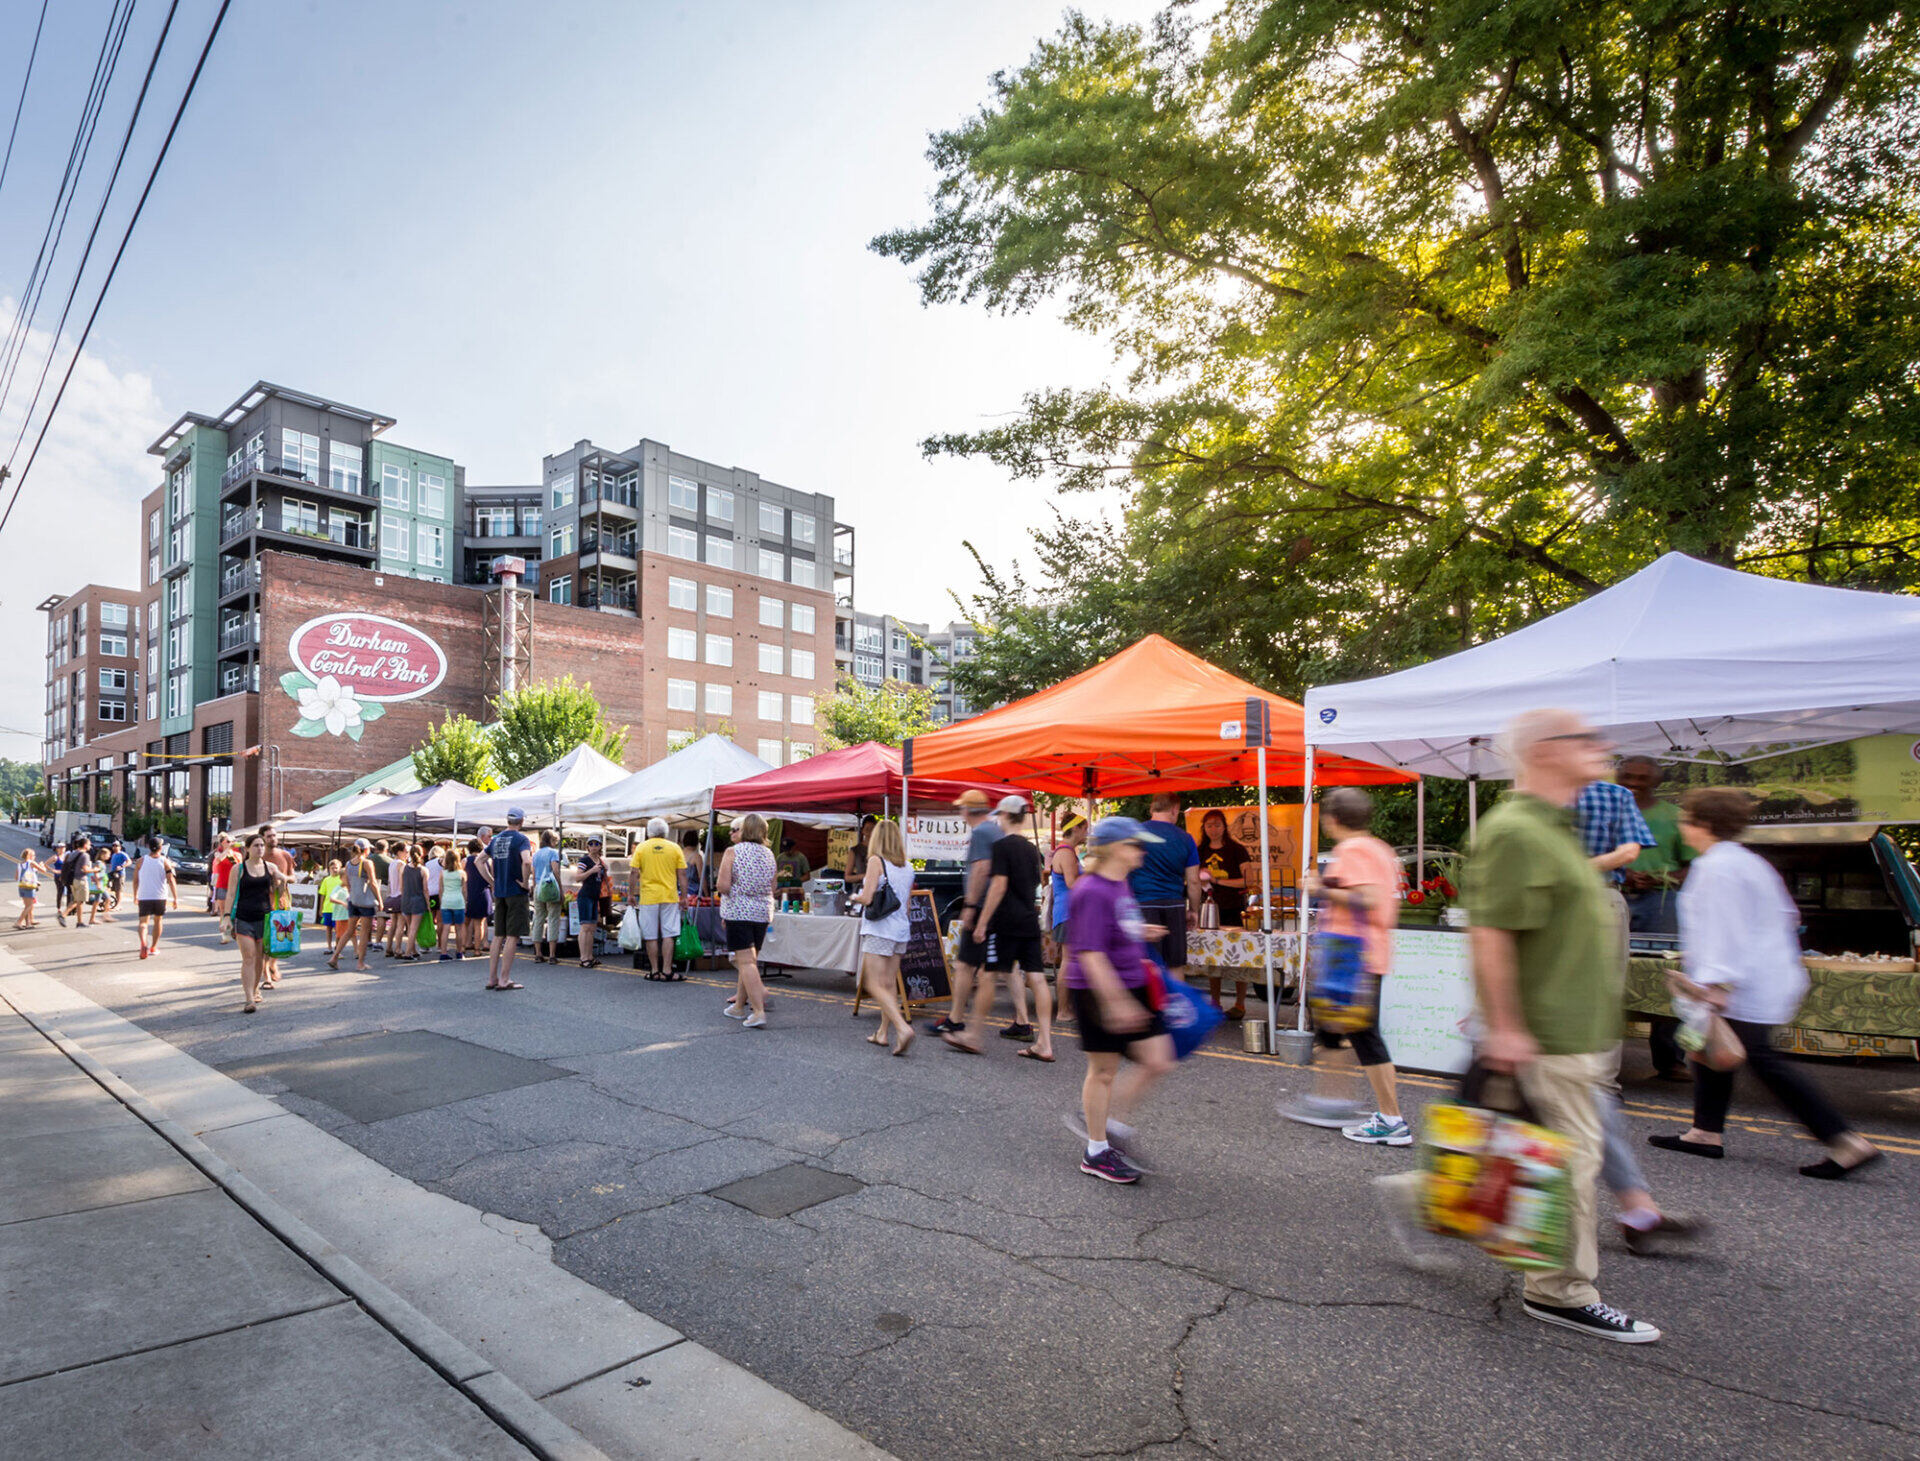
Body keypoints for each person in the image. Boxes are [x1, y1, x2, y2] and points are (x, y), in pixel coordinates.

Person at [1379, 708, 1660, 1343]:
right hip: (1545, 1036)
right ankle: (1560, 1291)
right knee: (1570, 1165)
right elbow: (1492, 934)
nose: (1602, 746)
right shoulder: (1515, 830)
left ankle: (1434, 1194)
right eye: (1585, 739)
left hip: (1570, 1036)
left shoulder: (1555, 828)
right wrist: (1504, 1025)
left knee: (1534, 1155)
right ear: (1545, 751)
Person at [1650, 787, 1884, 1181]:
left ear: (1702, 824)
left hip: (1743, 981)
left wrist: (1716, 983)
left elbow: (1726, 928)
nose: (1682, 826)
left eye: (1686, 819)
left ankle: (1844, 1141)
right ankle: (1705, 1131)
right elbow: (1786, 915)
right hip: (1765, 973)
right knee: (1709, 1047)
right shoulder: (1749, 862)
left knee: (1755, 1057)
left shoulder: (1716, 868)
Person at [1576, 763, 1698, 1252]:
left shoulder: (1540, 806)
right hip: (1576, 917)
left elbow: (1630, 850)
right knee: (1574, 1086)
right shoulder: (1525, 811)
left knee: (1582, 1087)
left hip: (1585, 911)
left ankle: (1636, 1208)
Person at [1280, 788, 1410, 1144]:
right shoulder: (1378, 849)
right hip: (1355, 952)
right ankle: (1332, 1100)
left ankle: (1391, 1118)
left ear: (1332, 820)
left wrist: (1321, 887)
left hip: (1353, 954)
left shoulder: (1355, 850)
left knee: (1364, 1035)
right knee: (1336, 1028)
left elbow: (1369, 898)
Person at [1064, 817, 1177, 1184]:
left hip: (1133, 984)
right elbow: (1091, 955)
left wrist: (1140, 930)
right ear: (1115, 848)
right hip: (1100, 991)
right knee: (1104, 1071)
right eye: (1135, 844)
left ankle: (1109, 1127)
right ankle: (1096, 1150)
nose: (1141, 850)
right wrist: (1116, 1003)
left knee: (1159, 1059)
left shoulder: (1119, 883)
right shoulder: (1091, 890)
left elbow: (1113, 927)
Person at [946, 796, 1052, 1060]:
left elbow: (998, 886)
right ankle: (1045, 1043)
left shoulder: (1002, 846)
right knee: (1037, 979)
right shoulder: (1030, 849)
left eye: (1000, 815)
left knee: (989, 977)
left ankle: (973, 1035)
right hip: (1029, 921)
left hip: (1005, 923)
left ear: (1005, 815)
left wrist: (982, 922)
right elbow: (1035, 882)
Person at [1616, 755, 1694, 1080]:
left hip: (1661, 903)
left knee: (1667, 976)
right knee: (1607, 973)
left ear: (1656, 782)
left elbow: (1693, 867)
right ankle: (1606, 1057)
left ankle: (1670, 1059)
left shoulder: (1675, 817)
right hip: (1612, 897)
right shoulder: (1607, 813)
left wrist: (1661, 878)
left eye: (1641, 778)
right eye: (1627, 777)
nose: (1633, 783)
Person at [932, 790, 1009, 1035]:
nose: (960, 813)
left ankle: (958, 1021)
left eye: (961, 808)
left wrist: (970, 906)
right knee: (982, 968)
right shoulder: (996, 830)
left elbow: (981, 869)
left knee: (966, 964)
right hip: (995, 907)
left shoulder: (980, 832)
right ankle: (960, 1020)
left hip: (983, 908)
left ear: (967, 811)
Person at [851, 818, 916, 1052]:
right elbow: (907, 906)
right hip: (900, 929)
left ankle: (901, 1027)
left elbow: (867, 898)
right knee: (889, 984)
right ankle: (882, 1032)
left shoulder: (875, 861)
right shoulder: (907, 867)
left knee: (873, 983)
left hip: (880, 928)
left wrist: (853, 898)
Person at [1128, 793, 1201, 991]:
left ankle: (1150, 1012)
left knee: (1145, 963)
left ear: (1152, 809)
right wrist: (1193, 910)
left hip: (1143, 904)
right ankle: (1177, 1013)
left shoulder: (1136, 834)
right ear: (1174, 810)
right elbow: (1194, 881)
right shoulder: (1185, 838)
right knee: (1175, 964)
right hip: (1174, 905)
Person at [719, 814, 777, 1028]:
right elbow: (773, 887)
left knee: (746, 962)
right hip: (762, 912)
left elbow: (723, 886)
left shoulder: (733, 852)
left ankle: (759, 1011)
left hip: (738, 910)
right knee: (750, 962)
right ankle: (738, 1006)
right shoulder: (769, 854)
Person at [1196, 809, 1252, 1018]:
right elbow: (1191, 877)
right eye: (1209, 825)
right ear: (1204, 828)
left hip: (1235, 908)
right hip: (1208, 909)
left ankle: (1240, 1004)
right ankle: (1215, 1002)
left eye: (1217, 825)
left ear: (1224, 827)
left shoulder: (1237, 850)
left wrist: (1217, 881)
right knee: (1213, 958)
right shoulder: (1199, 850)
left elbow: (1248, 880)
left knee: (1240, 956)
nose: (1213, 829)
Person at [226, 835, 287, 1014]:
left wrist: (281, 881)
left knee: (260, 959)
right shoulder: (238, 869)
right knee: (249, 958)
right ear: (247, 849)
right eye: (256, 845)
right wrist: (227, 916)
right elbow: (230, 894)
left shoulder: (271, 867)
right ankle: (249, 999)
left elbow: (278, 891)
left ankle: (255, 989)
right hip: (244, 918)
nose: (260, 848)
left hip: (265, 918)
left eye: (262, 845)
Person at [630, 817, 687, 980]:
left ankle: (654, 970)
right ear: (666, 832)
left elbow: (634, 872)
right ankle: (667, 970)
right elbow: (682, 874)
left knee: (651, 935)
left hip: (648, 897)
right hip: (669, 896)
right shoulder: (675, 848)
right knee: (669, 933)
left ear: (649, 832)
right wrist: (684, 896)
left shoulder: (641, 848)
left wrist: (631, 894)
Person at [485, 809, 535, 991]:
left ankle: (492, 978)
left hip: (500, 892)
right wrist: (525, 882)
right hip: (515, 891)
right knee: (512, 936)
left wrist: (492, 881)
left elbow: (479, 861)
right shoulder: (521, 839)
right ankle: (504, 979)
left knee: (498, 935)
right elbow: (527, 861)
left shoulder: (496, 839)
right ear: (521, 821)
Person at [1044, 814, 1087, 970]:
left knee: (1070, 960)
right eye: (1084, 829)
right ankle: (1063, 996)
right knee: (1069, 961)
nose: (1086, 833)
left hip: (1068, 912)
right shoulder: (1066, 853)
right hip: (1068, 913)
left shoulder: (1067, 852)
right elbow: (1072, 883)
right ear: (1075, 828)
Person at [333, 839, 381, 972]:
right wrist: (380, 901)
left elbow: (348, 883)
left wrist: (352, 894)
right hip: (366, 901)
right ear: (366, 850)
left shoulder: (348, 864)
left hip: (353, 900)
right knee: (364, 933)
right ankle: (360, 963)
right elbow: (373, 883)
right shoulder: (367, 863)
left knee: (349, 930)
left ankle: (334, 957)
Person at [132, 834, 179, 960]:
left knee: (143, 922)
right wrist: (175, 898)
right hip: (160, 896)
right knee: (158, 921)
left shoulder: (140, 861)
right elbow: (171, 880)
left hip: (144, 895)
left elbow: (135, 880)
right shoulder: (165, 861)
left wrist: (135, 895)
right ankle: (153, 947)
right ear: (160, 848)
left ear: (149, 847)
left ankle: (143, 942)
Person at [529, 830, 566, 963]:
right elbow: (555, 870)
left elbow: (533, 873)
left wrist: (533, 888)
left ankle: (538, 953)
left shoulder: (536, 854)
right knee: (553, 919)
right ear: (552, 841)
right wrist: (561, 890)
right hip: (550, 887)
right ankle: (552, 954)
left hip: (539, 886)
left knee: (538, 918)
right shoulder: (553, 853)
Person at [575, 837, 608, 968]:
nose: (594, 846)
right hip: (585, 895)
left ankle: (590, 956)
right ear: (587, 847)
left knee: (592, 927)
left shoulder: (600, 861)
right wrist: (591, 871)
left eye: (596, 844)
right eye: (591, 844)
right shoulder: (585, 860)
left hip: (595, 896)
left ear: (600, 846)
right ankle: (583, 958)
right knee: (585, 927)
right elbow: (577, 877)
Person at [395, 844, 429, 959]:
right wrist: (428, 904)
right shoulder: (423, 870)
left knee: (410, 927)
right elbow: (425, 889)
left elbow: (401, 887)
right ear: (421, 854)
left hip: (405, 900)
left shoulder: (403, 868)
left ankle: (413, 950)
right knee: (414, 928)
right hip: (418, 901)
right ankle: (408, 953)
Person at [462, 837, 491, 958]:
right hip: (483, 893)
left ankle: (462, 947)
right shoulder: (485, 861)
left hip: (469, 893)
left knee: (465, 922)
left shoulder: (465, 861)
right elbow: (490, 876)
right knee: (480, 923)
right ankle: (477, 950)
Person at [437, 847, 467, 960]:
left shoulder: (442, 873)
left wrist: (441, 901)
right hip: (458, 901)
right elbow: (464, 890)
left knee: (446, 928)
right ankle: (459, 952)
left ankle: (443, 953)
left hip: (446, 901)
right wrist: (466, 902)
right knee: (459, 928)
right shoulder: (462, 873)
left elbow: (440, 889)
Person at [317, 859, 346, 956]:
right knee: (328, 928)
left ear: (340, 868)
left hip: (338, 909)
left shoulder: (341, 880)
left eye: (336, 868)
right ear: (329, 869)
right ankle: (329, 947)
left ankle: (338, 948)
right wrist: (321, 908)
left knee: (338, 930)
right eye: (332, 868)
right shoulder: (326, 880)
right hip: (327, 908)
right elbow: (322, 895)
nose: (334, 870)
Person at [210, 833, 239, 920]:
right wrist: (228, 849)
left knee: (234, 910)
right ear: (222, 843)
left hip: (235, 885)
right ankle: (225, 931)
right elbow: (219, 859)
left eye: (232, 841)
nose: (231, 843)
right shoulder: (218, 853)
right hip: (222, 885)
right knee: (223, 911)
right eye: (228, 841)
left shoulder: (237, 854)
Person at [844, 816, 877, 886]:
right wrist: (863, 876)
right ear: (863, 831)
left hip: (878, 891)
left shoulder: (880, 849)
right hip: (860, 890)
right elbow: (847, 877)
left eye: (872, 829)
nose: (869, 833)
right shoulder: (855, 850)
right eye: (867, 829)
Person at [14, 849, 41, 928]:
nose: (35, 857)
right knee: (29, 906)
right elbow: (43, 870)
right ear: (29, 856)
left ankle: (28, 923)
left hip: (21, 886)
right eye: (33, 855)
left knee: (26, 906)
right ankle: (19, 922)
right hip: (29, 887)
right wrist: (42, 865)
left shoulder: (20, 864)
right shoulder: (31, 863)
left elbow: (16, 877)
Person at [104, 839, 130, 918]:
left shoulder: (122, 854)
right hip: (113, 874)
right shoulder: (113, 855)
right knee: (114, 890)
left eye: (116, 846)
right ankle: (116, 904)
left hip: (120, 874)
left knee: (119, 890)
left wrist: (122, 866)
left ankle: (118, 905)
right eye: (114, 846)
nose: (115, 847)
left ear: (120, 847)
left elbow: (129, 861)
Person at [680, 830, 706, 898]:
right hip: (693, 894)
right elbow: (702, 877)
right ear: (696, 842)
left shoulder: (678, 855)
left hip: (679, 892)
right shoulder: (696, 857)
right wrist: (707, 895)